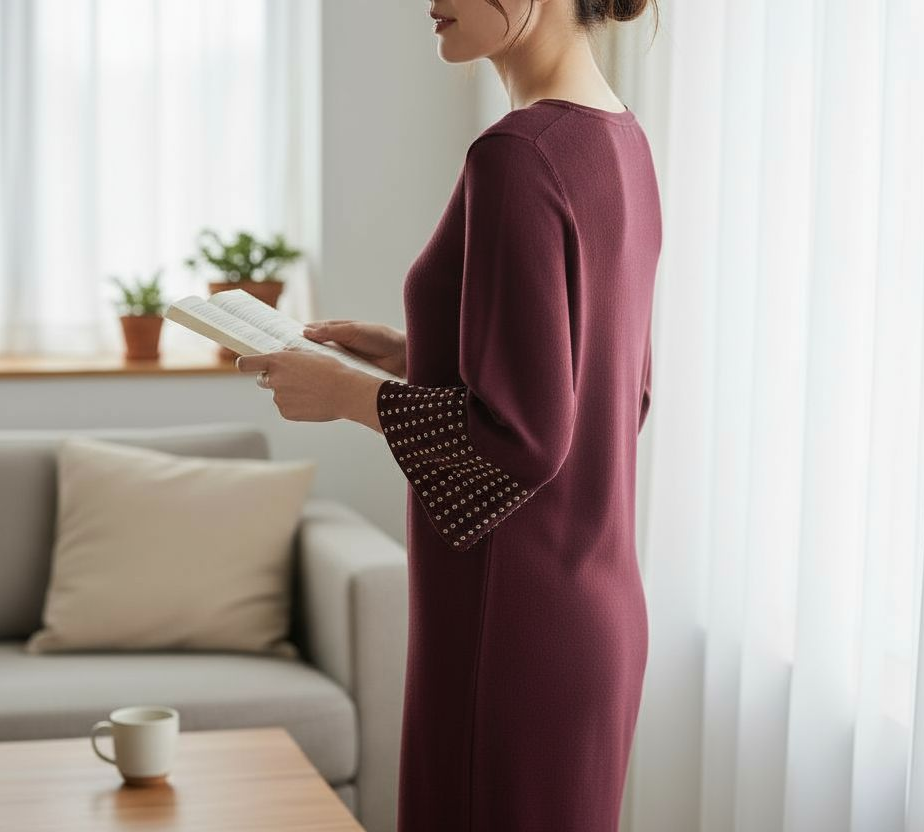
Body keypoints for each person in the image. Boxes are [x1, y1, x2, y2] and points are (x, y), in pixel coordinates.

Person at [237, 0, 662, 828]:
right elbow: (617, 387)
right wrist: (418, 353)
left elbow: (525, 443)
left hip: (509, 630)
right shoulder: (623, 141)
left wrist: (348, 395)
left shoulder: (516, 156)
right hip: (593, 618)